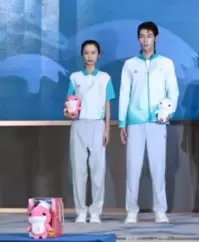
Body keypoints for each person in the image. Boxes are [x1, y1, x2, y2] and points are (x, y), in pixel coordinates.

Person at [119, 21, 179, 224]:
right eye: (142, 36)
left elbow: (173, 91)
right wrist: (122, 123)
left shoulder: (166, 63)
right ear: (138, 39)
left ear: (156, 38)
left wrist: (168, 113)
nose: (146, 40)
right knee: (133, 168)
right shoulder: (130, 65)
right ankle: (131, 211)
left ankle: (160, 211)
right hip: (135, 122)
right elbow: (124, 94)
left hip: (158, 122)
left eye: (149, 36)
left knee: (158, 167)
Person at [65, 40, 115, 224]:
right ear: (82, 55)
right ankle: (81, 211)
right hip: (79, 125)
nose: (89, 56)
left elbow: (107, 105)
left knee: (97, 170)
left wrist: (107, 129)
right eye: (86, 53)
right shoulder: (75, 78)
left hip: (98, 125)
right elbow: (69, 104)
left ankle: (95, 212)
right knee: (79, 170)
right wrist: (68, 113)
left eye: (93, 52)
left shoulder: (105, 78)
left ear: (98, 55)